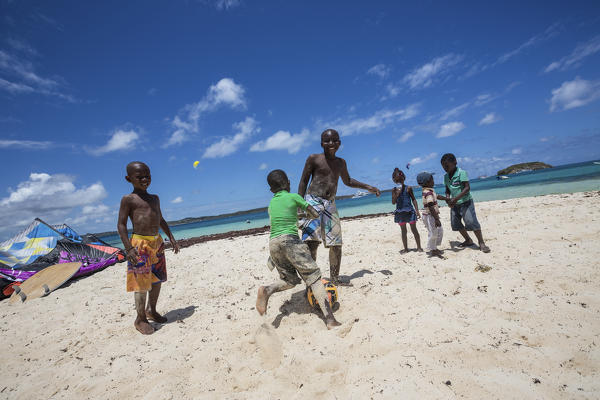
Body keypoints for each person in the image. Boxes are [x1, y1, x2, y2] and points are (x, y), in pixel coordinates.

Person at [256, 169, 341, 329]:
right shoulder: (294, 197)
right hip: (290, 241)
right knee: (314, 278)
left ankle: (267, 290)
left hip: (274, 244)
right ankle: (330, 320)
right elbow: (314, 213)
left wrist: (297, 217)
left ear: (272, 190)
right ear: (288, 183)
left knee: (290, 280)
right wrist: (306, 214)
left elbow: (283, 220)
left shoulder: (272, 204)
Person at [298, 128, 381, 286]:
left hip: (330, 203)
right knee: (312, 242)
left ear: (340, 143)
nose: (331, 143)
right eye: (327, 140)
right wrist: (300, 206)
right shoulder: (313, 159)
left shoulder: (341, 163)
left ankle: (334, 279)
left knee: (336, 243)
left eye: (335, 140)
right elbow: (303, 182)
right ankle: (312, 281)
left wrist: (368, 186)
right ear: (321, 143)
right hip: (312, 202)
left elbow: (348, 181)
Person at [117, 161, 180, 335]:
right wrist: (128, 248)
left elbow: (160, 219)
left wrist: (171, 238)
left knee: (157, 280)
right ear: (129, 179)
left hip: (157, 243)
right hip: (139, 245)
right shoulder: (128, 199)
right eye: (140, 177)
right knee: (141, 285)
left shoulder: (155, 198)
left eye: (148, 175)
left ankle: (151, 310)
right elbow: (121, 225)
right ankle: (140, 318)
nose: (145, 179)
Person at [440, 153, 490, 253]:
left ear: (455, 163)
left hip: (466, 202)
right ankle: (468, 239)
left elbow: (467, 188)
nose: (445, 168)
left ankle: (481, 242)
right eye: (443, 167)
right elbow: (447, 189)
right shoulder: (446, 177)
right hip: (454, 204)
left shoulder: (461, 173)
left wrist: (456, 198)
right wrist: (448, 199)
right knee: (456, 223)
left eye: (447, 166)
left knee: (471, 222)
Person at [391, 168, 423, 253]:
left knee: (414, 230)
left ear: (404, 178)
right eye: (397, 181)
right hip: (400, 213)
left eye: (401, 180)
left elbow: (414, 199)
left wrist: (417, 210)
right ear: (394, 180)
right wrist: (397, 194)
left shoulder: (408, 188)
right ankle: (405, 248)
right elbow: (393, 202)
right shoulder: (394, 190)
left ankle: (419, 247)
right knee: (403, 231)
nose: (399, 182)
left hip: (410, 212)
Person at [416, 172, 445, 257]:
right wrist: (436, 219)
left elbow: (437, 196)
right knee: (434, 232)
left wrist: (447, 199)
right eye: (432, 179)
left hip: (429, 215)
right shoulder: (428, 192)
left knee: (437, 231)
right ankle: (433, 250)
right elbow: (430, 205)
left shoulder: (428, 191)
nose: (433, 181)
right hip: (430, 215)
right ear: (428, 182)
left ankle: (434, 247)